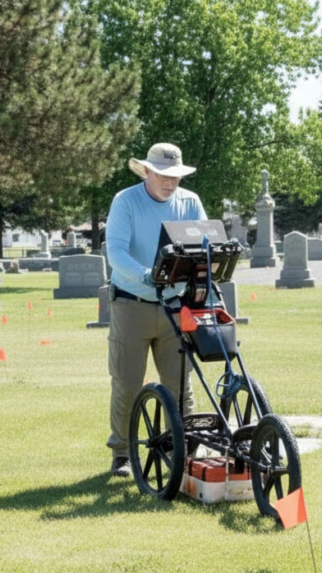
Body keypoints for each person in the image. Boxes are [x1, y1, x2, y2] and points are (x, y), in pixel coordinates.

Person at [104, 143, 207, 476]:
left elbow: (205, 246)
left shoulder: (190, 202)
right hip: (131, 303)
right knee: (127, 383)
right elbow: (116, 253)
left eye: (175, 176)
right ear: (147, 171)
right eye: (163, 175)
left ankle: (180, 449)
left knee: (180, 384)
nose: (170, 182)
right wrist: (148, 276)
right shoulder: (125, 201)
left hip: (175, 306)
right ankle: (122, 453)